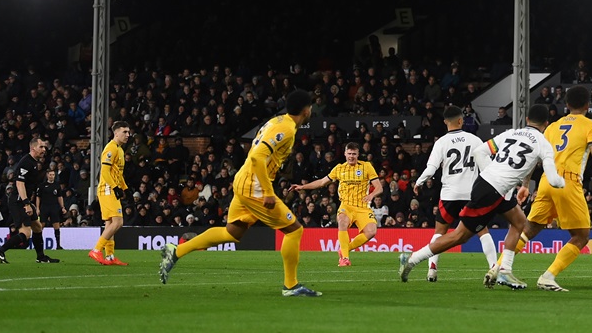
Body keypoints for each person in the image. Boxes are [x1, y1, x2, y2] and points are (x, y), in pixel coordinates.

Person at [160, 90, 321, 297]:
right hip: (255, 186)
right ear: (306, 110)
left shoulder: (277, 121)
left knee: (232, 233)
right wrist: (268, 192)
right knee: (294, 230)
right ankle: (291, 286)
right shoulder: (286, 129)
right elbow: (257, 157)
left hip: (244, 180)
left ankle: (177, 251)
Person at [398, 104, 564, 289]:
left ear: (526, 120)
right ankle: (411, 259)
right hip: (491, 190)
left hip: (490, 186)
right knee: (460, 236)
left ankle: (504, 272)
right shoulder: (544, 145)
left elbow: (480, 153)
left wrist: (492, 174)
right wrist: (564, 182)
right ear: (547, 124)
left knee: (519, 221)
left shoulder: (510, 133)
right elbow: (554, 181)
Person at [510, 85, 592, 292]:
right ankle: (548, 276)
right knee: (581, 236)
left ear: (567, 105)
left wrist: (525, 184)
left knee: (529, 229)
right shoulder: (589, 124)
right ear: (587, 105)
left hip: (545, 182)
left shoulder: (552, 127)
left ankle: (499, 268)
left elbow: (534, 157)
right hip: (567, 182)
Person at [412, 105, 499, 281]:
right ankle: (494, 268)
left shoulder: (441, 142)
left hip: (450, 195)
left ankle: (432, 269)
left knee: (440, 231)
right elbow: (487, 167)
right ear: (461, 120)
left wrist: (419, 181)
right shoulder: (475, 140)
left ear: (445, 122)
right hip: (471, 195)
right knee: (483, 231)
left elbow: (431, 168)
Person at [287, 141, 382, 266]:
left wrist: (371, 195)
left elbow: (379, 188)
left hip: (362, 206)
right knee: (342, 221)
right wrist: (302, 186)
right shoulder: (339, 168)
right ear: (345, 154)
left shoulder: (367, 166)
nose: (351, 156)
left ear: (358, 154)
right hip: (346, 205)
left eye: (354, 154)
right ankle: (345, 259)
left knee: (371, 232)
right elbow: (321, 182)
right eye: (349, 153)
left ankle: (344, 249)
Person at [0, 136, 59, 264]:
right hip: (19, 202)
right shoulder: (26, 162)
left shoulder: (33, 162)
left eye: (44, 147)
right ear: (33, 148)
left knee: (38, 227)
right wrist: (26, 203)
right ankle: (0, 251)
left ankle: (41, 257)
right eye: (41, 147)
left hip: (24, 200)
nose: (44, 149)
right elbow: (19, 184)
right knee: (26, 233)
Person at [89, 121, 132, 265]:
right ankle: (96, 250)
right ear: (116, 133)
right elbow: (105, 172)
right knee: (118, 222)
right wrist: (115, 187)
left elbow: (118, 173)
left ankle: (110, 256)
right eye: (125, 132)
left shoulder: (120, 149)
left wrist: (125, 188)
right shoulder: (111, 148)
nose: (128, 135)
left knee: (109, 224)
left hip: (111, 189)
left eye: (128, 132)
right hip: (107, 189)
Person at [36, 168, 68, 251]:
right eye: (50, 175)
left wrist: (62, 207)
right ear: (47, 175)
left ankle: (58, 245)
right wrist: (37, 208)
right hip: (44, 207)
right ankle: (38, 245)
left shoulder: (57, 185)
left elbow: (60, 197)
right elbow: (38, 197)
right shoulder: (42, 185)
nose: (51, 176)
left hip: (54, 207)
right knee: (41, 227)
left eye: (53, 175)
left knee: (56, 226)